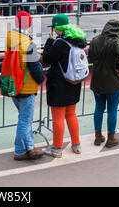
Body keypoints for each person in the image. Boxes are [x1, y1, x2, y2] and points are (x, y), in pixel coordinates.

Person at [42, 14, 86, 157]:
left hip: (59, 83)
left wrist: (49, 41)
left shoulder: (60, 43)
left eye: (54, 28)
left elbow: (47, 58)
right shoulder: (77, 39)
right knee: (71, 114)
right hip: (74, 81)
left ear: (57, 28)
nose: (53, 30)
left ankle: (57, 148)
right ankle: (76, 144)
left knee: (58, 117)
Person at [6, 11, 44, 160]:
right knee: (25, 120)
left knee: (24, 118)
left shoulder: (10, 40)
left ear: (16, 23)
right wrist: (41, 78)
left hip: (13, 85)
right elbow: (35, 69)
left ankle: (30, 146)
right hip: (26, 86)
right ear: (29, 24)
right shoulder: (29, 44)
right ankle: (20, 150)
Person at [88, 20, 119, 147]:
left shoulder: (95, 40)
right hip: (113, 82)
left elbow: (90, 58)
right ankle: (111, 138)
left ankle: (98, 137)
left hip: (97, 80)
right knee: (112, 110)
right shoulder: (115, 42)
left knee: (99, 108)